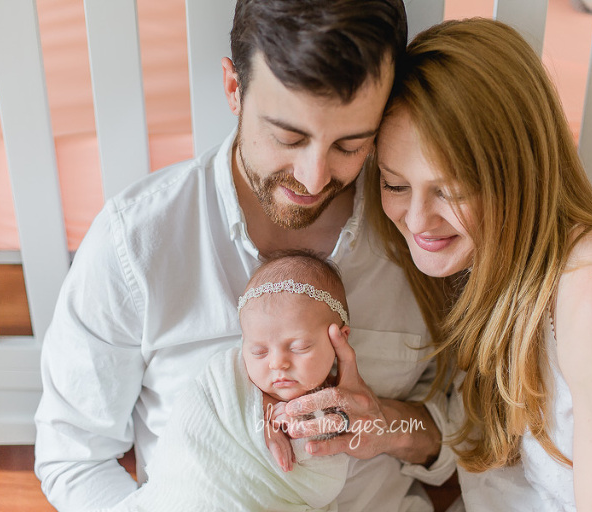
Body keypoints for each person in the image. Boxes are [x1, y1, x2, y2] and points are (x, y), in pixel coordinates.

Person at [34, 2, 454, 511]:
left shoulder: (426, 235)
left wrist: (390, 426)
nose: (313, 177)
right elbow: (73, 458)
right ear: (234, 89)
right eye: (288, 137)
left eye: (349, 144)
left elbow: (463, 431)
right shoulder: (136, 244)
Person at [367, 18, 592, 512]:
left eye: (449, 189)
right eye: (395, 185)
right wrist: (379, 425)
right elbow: (467, 445)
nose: (418, 220)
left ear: (515, 171)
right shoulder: (491, 261)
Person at [98, 252, 356, 511]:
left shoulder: (339, 408)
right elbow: (197, 417)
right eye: (259, 351)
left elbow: (324, 484)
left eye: (299, 347)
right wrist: (256, 413)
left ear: (339, 338)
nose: (278, 363)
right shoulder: (227, 376)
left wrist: (301, 432)